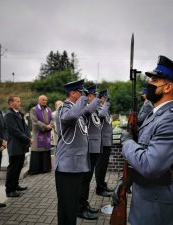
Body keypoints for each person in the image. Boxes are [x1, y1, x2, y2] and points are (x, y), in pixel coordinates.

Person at [120, 55, 173, 225]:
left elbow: (149, 165)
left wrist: (127, 141)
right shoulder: (156, 115)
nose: (149, 83)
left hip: (156, 208)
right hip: (144, 198)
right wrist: (124, 184)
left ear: (168, 87)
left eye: (155, 80)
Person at [55, 79, 99, 225]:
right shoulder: (64, 109)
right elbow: (72, 116)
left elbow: (89, 109)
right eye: (81, 92)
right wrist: (85, 98)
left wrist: (97, 98)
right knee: (67, 205)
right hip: (67, 166)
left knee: (72, 204)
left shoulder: (77, 109)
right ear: (73, 93)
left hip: (75, 165)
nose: (84, 95)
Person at [77, 85, 101, 220]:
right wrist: (95, 99)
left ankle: (84, 204)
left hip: (91, 149)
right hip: (86, 150)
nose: (89, 98)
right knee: (84, 180)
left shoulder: (88, 108)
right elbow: (89, 109)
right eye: (91, 95)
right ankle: (80, 208)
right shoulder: (82, 108)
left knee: (86, 180)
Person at [4, 96, 32, 198]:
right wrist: (28, 139)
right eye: (18, 101)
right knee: (13, 168)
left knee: (19, 166)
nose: (20, 103)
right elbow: (15, 131)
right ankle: (10, 190)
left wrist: (28, 137)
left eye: (20, 101)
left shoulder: (18, 113)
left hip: (21, 145)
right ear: (11, 102)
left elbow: (25, 127)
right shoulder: (9, 115)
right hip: (14, 145)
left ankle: (15, 186)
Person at [95, 89, 113, 197]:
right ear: (101, 97)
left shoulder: (104, 107)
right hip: (101, 142)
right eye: (105, 97)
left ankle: (102, 184)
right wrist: (106, 104)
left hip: (107, 140)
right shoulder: (97, 107)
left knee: (104, 165)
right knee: (100, 165)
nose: (106, 99)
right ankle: (99, 188)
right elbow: (101, 116)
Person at [29, 95, 53, 175]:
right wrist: (45, 126)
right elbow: (35, 121)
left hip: (47, 134)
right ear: (38, 100)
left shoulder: (48, 109)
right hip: (38, 133)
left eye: (46, 100)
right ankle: (36, 170)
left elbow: (52, 120)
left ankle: (46, 168)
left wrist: (51, 125)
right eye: (43, 100)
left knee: (46, 150)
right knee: (38, 149)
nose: (44, 101)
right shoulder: (33, 110)